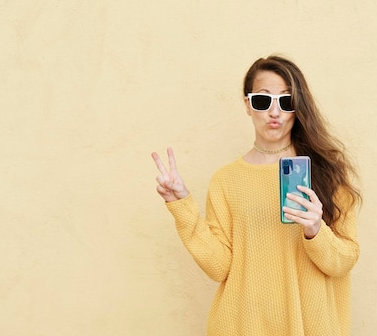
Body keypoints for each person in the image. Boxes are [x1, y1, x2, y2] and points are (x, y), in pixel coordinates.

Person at [151, 55, 362, 336]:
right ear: (247, 105)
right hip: (242, 326)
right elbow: (219, 267)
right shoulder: (226, 180)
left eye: (286, 102)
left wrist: (315, 230)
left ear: (298, 108)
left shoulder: (326, 173)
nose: (275, 112)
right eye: (263, 101)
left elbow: (345, 260)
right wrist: (181, 203)